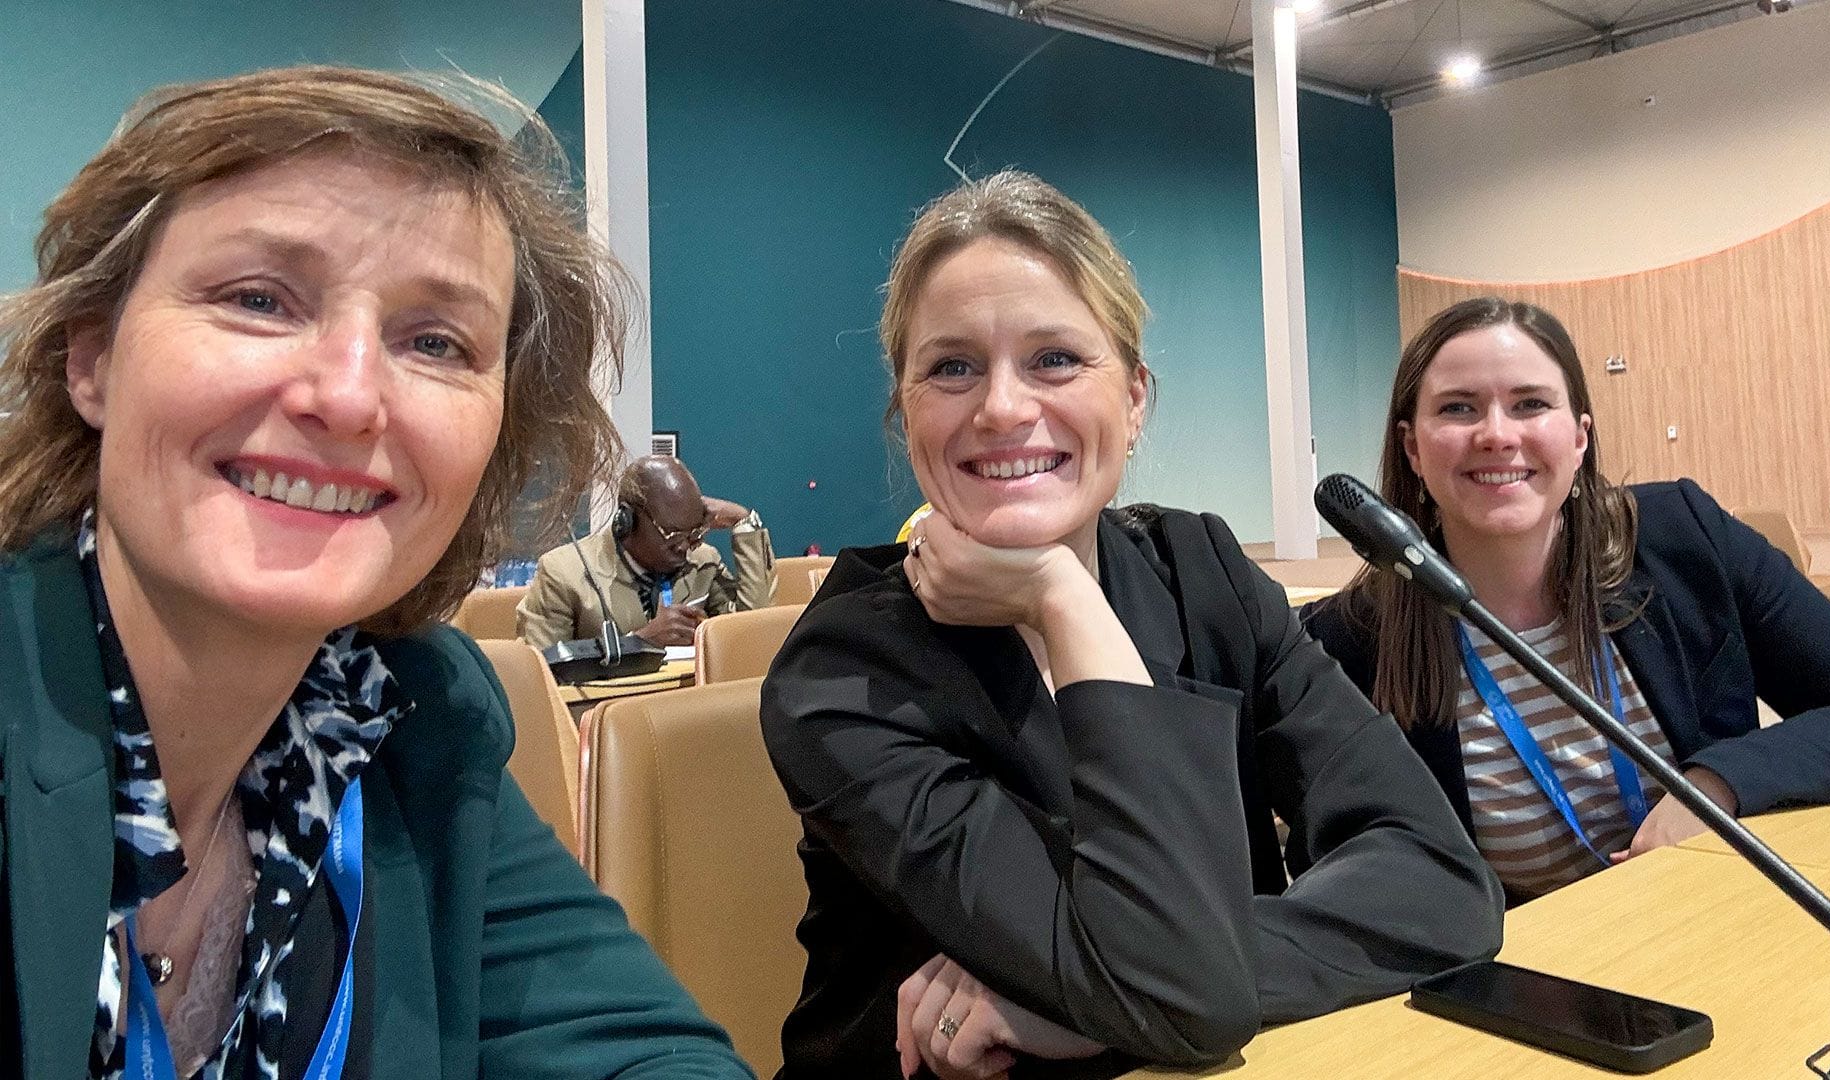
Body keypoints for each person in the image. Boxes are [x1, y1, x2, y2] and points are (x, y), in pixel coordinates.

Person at [0, 66, 751, 1079]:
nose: (351, 398)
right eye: (259, 299)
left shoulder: (410, 720)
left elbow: (648, 1056)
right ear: (90, 359)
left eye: (436, 342)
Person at [758, 171, 1502, 1080]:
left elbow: (1444, 880)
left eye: (1056, 359)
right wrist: (1061, 595)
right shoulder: (841, 675)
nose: (1001, 406)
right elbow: (1183, 994)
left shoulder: (1204, 574)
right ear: (905, 411)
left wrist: (1113, 990)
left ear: (1136, 397)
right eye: (951, 367)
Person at [1302, 297, 1830, 904]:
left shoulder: (1684, 540)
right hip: (1534, 981)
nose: (1496, 434)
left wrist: (1717, 783)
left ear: (1578, 437)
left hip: (1723, 918)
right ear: (1413, 448)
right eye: (1459, 408)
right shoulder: (1347, 645)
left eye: (1530, 404)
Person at [517, 455, 774, 648]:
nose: (685, 547)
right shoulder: (563, 573)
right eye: (672, 536)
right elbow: (541, 671)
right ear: (626, 521)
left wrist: (744, 522)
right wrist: (638, 642)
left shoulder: (702, 561)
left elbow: (753, 631)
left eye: (693, 533)